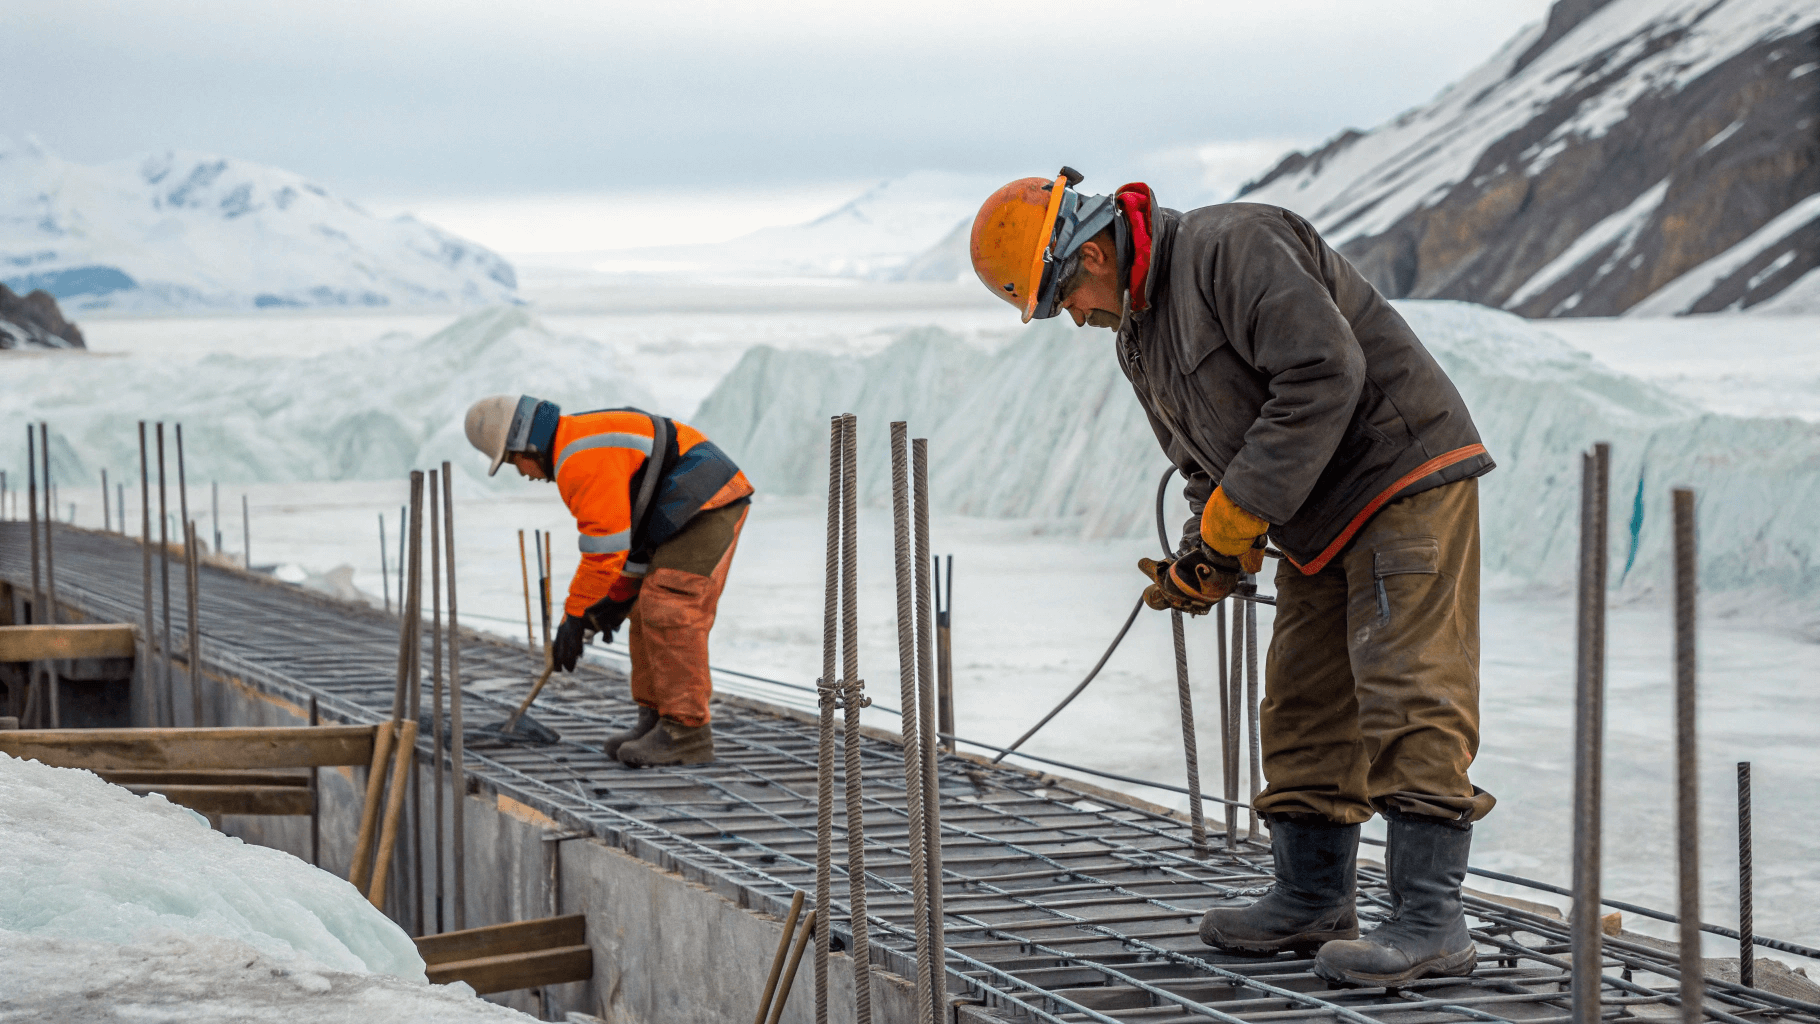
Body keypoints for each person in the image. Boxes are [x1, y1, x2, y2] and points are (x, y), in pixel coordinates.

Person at [968, 168, 1496, 985]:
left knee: (1406, 687)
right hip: (1314, 509)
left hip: (1399, 476)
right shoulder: (1138, 339)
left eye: (1057, 299)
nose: (1069, 318)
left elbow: (1326, 372)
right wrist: (1206, 551)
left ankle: (1432, 920)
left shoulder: (1231, 246)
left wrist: (1241, 511)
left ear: (1089, 258)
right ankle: (1313, 897)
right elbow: (1204, 466)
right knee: (1302, 701)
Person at [464, 395, 752, 767]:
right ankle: (655, 722)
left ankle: (687, 733)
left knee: (669, 609)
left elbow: (604, 553)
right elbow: (626, 553)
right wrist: (609, 605)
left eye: (512, 462)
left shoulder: (577, 458)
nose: (522, 474)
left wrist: (575, 617)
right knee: (643, 610)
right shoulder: (578, 443)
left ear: (527, 445)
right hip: (674, 511)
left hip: (706, 502)